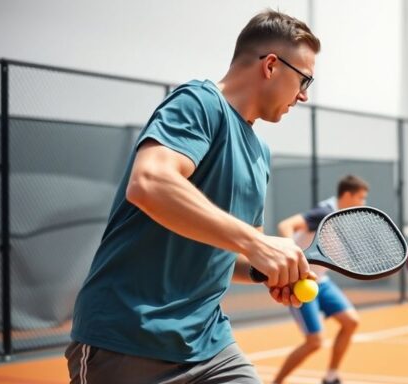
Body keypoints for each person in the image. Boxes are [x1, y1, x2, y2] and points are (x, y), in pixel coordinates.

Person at [65, 10, 321, 384]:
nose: (304, 95)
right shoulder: (199, 103)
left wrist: (263, 269)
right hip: (126, 339)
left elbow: (227, 253)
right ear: (270, 65)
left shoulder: (260, 153)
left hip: (210, 346)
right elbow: (150, 182)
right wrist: (256, 243)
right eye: (304, 79)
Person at [271, 175, 369, 384]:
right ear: (347, 195)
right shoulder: (324, 213)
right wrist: (292, 256)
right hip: (300, 283)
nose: (363, 203)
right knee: (314, 342)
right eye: (361, 198)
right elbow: (286, 225)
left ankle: (331, 377)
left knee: (351, 322)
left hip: (320, 281)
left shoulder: (341, 217)